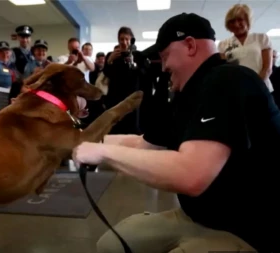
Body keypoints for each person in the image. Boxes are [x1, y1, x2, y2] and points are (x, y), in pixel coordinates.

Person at [73, 12, 279, 253]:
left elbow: (191, 174)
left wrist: (103, 153)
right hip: (195, 216)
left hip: (246, 230)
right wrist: (82, 140)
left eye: (166, 56)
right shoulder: (187, 93)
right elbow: (144, 144)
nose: (165, 66)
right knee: (111, 245)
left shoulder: (230, 80)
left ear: (190, 45)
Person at [218, 4, 274, 93]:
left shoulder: (261, 38)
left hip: (261, 89)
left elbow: (267, 69)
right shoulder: (223, 44)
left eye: (240, 20)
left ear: (248, 21)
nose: (236, 24)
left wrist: (254, 86)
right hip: (237, 91)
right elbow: (225, 71)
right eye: (232, 21)